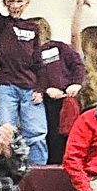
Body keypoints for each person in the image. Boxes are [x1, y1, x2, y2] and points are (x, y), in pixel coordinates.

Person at [0, 0, 46, 164]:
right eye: (11, 1)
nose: (15, 5)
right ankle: (4, 165)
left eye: (20, 1)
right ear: (5, 3)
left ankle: (38, 170)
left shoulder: (33, 28)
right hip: (7, 85)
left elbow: (39, 60)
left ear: (27, 3)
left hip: (30, 86)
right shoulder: (3, 24)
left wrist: (40, 87)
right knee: (4, 127)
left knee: (35, 131)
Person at [31, 16, 84, 164]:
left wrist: (76, 84)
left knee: (69, 136)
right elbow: (30, 75)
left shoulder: (59, 47)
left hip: (67, 99)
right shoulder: (29, 54)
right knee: (51, 137)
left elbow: (77, 64)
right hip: (47, 102)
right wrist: (44, 89)